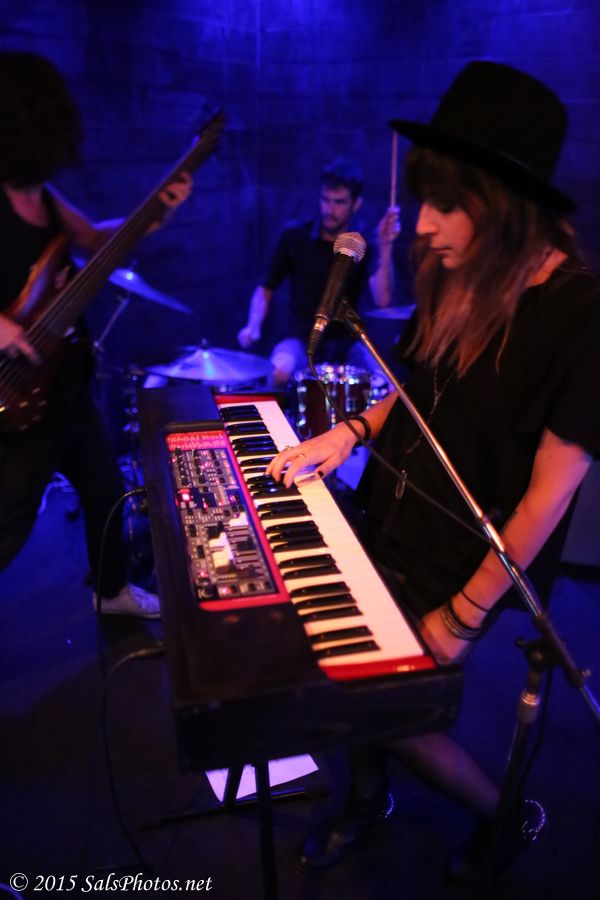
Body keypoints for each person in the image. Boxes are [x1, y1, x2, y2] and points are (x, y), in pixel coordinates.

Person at [267, 61, 600, 880]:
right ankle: (367, 797)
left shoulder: (578, 314)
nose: (423, 224)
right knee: (353, 670)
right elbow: (412, 387)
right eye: (425, 200)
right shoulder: (457, 273)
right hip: (390, 508)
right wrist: (348, 433)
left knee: (394, 708)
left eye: (447, 205)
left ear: (506, 207)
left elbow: (550, 495)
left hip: (467, 554)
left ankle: (506, 816)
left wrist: (462, 615)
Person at [0, 51, 192, 618]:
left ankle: (111, 594)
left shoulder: (45, 199)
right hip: (15, 397)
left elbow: (94, 242)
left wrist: (157, 211)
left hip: (62, 381)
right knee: (9, 522)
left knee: (105, 488)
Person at [237, 157, 401, 386]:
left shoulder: (361, 242)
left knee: (384, 384)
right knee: (279, 372)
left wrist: (385, 245)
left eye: (340, 202)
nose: (330, 209)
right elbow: (265, 287)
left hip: (347, 341)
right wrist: (253, 325)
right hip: (300, 336)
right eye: (326, 200)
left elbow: (383, 299)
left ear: (356, 204)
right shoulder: (295, 236)